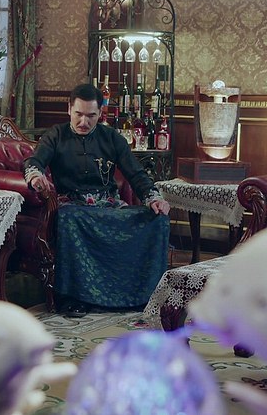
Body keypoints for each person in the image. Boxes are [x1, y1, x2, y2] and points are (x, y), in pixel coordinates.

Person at [24, 83, 170, 318]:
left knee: (158, 219)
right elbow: (34, 162)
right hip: (74, 207)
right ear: (69, 109)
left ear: (100, 113)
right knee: (68, 218)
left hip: (109, 206)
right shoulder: (55, 135)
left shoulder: (112, 137)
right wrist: (35, 176)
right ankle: (75, 298)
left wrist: (154, 198)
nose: (84, 122)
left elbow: (136, 174)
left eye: (91, 116)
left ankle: (142, 295)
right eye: (78, 114)